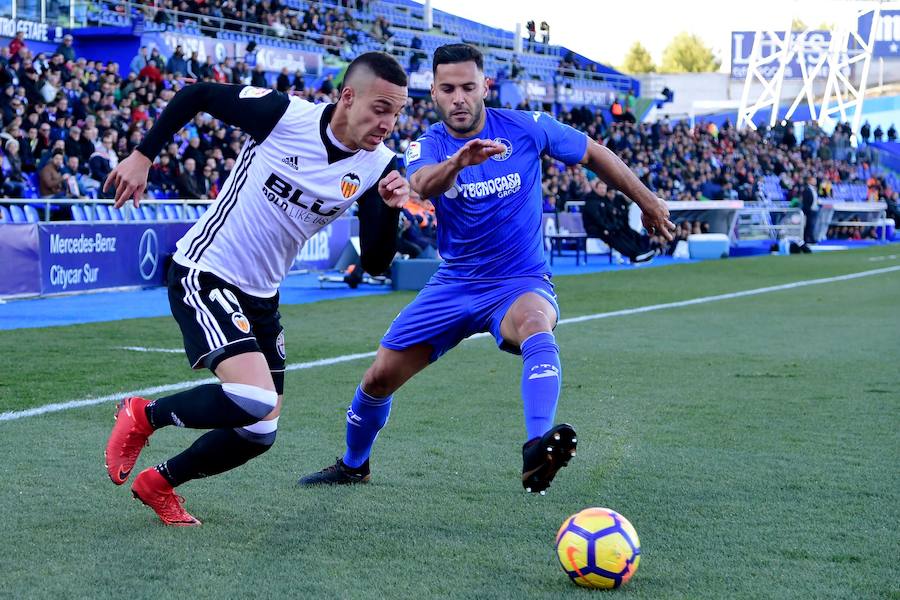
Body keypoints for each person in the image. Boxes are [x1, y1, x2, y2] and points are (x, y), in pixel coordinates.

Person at [297, 44, 674, 493]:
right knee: (378, 378)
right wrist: (460, 161)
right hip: (454, 283)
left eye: (468, 87)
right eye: (448, 89)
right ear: (434, 93)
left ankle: (537, 447)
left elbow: (594, 154)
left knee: (536, 325)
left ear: (485, 87)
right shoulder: (428, 144)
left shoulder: (526, 127)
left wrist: (648, 201)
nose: (459, 98)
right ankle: (354, 464)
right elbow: (421, 183)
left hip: (519, 280)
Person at [103, 52, 411, 526]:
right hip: (205, 271)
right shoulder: (285, 115)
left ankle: (159, 483)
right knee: (255, 397)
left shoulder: (381, 166)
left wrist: (390, 207)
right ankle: (144, 415)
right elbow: (197, 93)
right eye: (380, 108)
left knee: (258, 430)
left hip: (262, 297)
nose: (388, 122)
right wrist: (143, 155)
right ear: (348, 97)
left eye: (397, 112)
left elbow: (374, 262)